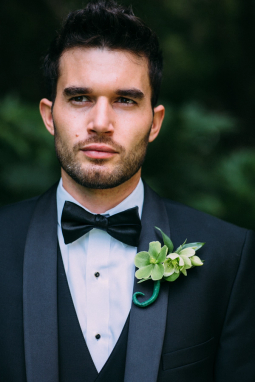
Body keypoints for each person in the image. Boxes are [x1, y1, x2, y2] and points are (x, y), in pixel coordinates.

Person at [0, 1, 254, 381]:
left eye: (125, 100)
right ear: (49, 115)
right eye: (80, 98)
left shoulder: (229, 258)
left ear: (155, 122)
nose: (100, 123)